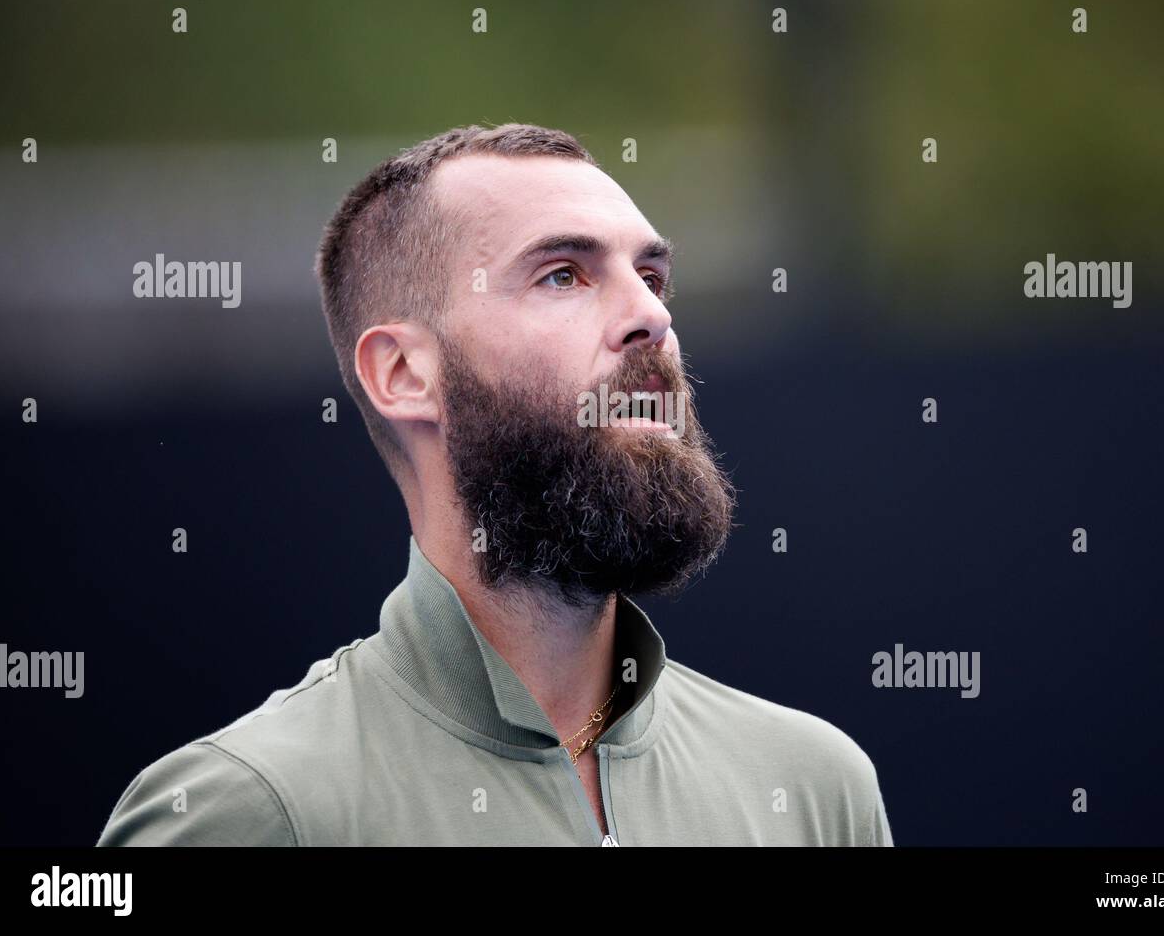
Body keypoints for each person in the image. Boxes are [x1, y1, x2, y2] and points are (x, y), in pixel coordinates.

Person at [96, 123, 894, 846]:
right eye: (562, 275)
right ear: (404, 373)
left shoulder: (816, 791)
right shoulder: (253, 809)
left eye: (652, 275)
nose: (650, 315)